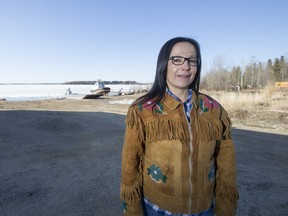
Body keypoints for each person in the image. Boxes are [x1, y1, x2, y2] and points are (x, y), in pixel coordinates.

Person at [120, 37, 239, 216]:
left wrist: (225, 209)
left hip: (204, 209)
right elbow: (130, 166)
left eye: (192, 60)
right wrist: (133, 211)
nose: (186, 66)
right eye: (177, 60)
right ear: (163, 64)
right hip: (157, 209)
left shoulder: (214, 109)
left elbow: (226, 166)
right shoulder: (142, 110)